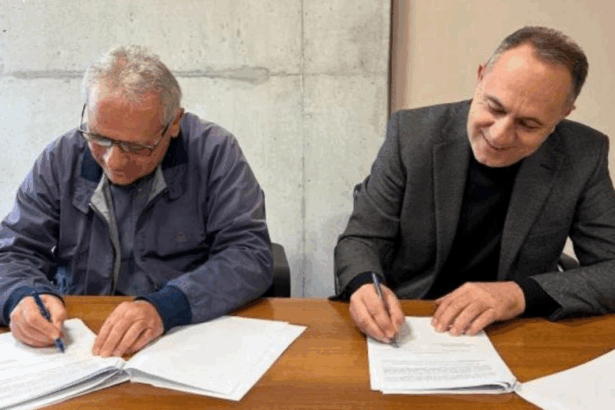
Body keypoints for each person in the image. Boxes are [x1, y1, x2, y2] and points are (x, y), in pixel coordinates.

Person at [334, 26, 615, 344]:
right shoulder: (412, 135)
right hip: (410, 322)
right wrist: (363, 283)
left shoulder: (583, 154)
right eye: (494, 107)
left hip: (513, 330)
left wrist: (519, 294)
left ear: (563, 114)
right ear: (481, 77)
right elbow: (361, 239)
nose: (499, 135)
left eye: (528, 124)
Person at [0, 45, 273, 356]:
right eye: (100, 138)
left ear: (174, 123)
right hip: (79, 338)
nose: (113, 161)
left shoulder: (214, 153)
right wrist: (20, 296)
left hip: (181, 335)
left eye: (137, 147)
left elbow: (249, 255)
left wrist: (168, 306)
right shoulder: (62, 158)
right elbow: (13, 250)